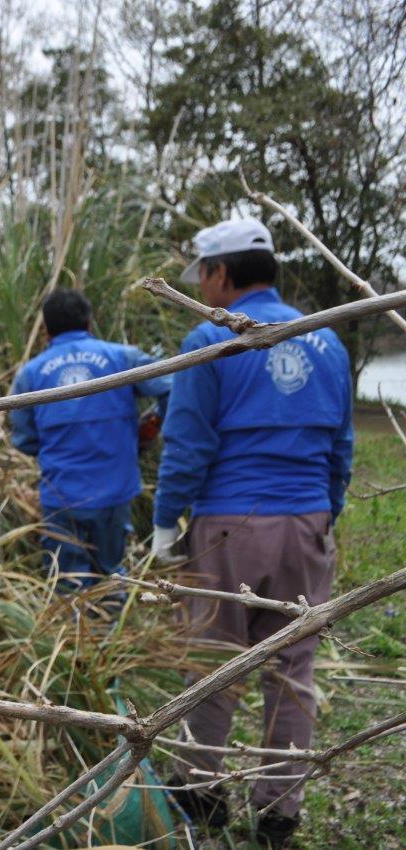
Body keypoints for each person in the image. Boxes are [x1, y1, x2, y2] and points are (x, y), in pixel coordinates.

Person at [152, 218, 353, 848]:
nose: (204, 287)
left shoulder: (210, 340)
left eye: (204, 275)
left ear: (220, 274)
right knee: (293, 672)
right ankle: (278, 813)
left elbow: (187, 445)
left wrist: (165, 525)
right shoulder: (325, 341)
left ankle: (200, 794)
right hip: (305, 521)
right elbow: (340, 447)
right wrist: (323, 514)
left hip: (226, 529)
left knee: (212, 661)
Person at [11, 289, 172, 601]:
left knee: (66, 583)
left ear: (45, 330)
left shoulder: (29, 375)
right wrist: (153, 423)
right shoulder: (123, 358)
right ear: (90, 323)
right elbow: (174, 386)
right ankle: (113, 642)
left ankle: (71, 643)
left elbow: (24, 439)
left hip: (61, 497)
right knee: (111, 576)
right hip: (115, 494)